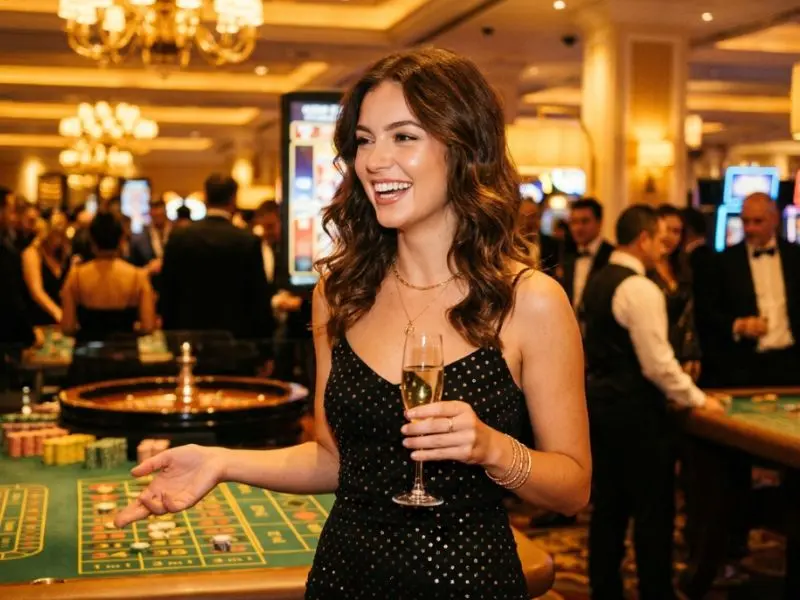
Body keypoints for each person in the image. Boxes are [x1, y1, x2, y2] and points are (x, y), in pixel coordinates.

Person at [115, 47, 591, 599]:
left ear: (465, 149)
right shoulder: (339, 294)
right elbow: (334, 460)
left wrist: (491, 448)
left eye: (404, 136)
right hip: (345, 575)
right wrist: (220, 462)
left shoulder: (529, 301)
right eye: (364, 140)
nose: (374, 160)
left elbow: (573, 488)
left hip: (467, 579)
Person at [581, 205, 724, 600]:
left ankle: (603, 589)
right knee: (652, 514)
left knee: (608, 509)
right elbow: (657, 364)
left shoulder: (598, 278)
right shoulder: (639, 287)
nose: (665, 248)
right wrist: (698, 399)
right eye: (660, 239)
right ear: (643, 239)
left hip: (603, 408)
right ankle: (655, 591)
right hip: (637, 415)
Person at [158, 175, 276, 340]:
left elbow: (167, 291)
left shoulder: (179, 237)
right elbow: (258, 298)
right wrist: (265, 348)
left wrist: (169, 336)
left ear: (206, 198)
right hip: (235, 340)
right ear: (233, 199)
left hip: (188, 335)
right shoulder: (247, 241)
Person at [708, 192, 800, 387]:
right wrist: (738, 325)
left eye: (758, 221)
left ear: (774, 220)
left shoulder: (796, 256)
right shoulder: (723, 262)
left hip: (791, 362)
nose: (750, 228)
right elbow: (708, 314)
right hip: (744, 366)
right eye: (745, 221)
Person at [60, 212, 156, 343]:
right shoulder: (137, 276)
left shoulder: (76, 276)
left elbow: (67, 327)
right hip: (126, 356)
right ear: (121, 239)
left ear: (92, 240)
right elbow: (148, 326)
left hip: (86, 357)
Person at [648, 205, 701, 380]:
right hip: (653, 351)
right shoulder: (644, 268)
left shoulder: (683, 267)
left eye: (677, 231)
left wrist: (692, 354)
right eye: (667, 230)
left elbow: (689, 315)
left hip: (680, 351)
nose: (670, 237)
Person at [562, 197, 614, 311]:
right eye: (574, 222)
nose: (578, 228)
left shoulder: (612, 255)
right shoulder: (566, 254)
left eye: (585, 221)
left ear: (599, 222)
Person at [21, 212, 69, 326]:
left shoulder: (62, 254)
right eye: (55, 232)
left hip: (61, 324)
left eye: (61, 233)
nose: (58, 239)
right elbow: (36, 292)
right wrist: (58, 313)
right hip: (39, 322)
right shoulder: (32, 253)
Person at [130, 198, 171, 278]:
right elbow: (134, 269)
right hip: (149, 283)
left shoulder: (178, 233)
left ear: (165, 211)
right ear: (150, 213)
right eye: (154, 209)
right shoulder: (139, 239)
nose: (158, 212)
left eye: (160, 208)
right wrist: (148, 268)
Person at [518, 197, 560, 276]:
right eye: (523, 217)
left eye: (532, 216)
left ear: (539, 217)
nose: (527, 222)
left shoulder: (552, 244)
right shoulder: (511, 247)